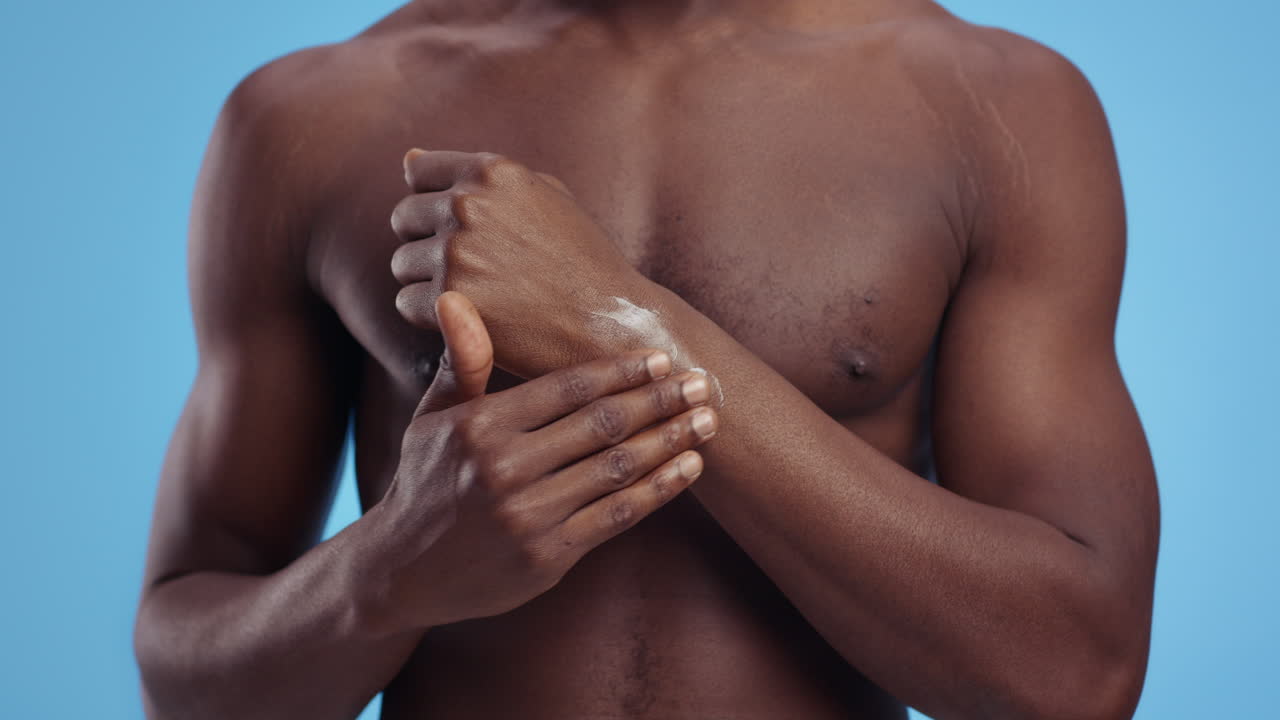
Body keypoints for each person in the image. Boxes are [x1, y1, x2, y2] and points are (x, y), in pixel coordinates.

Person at [134, 1, 1160, 718]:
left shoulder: (997, 107)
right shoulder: (311, 119)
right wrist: (388, 572)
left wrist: (619, 323)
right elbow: (184, 684)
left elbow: (1074, 676)